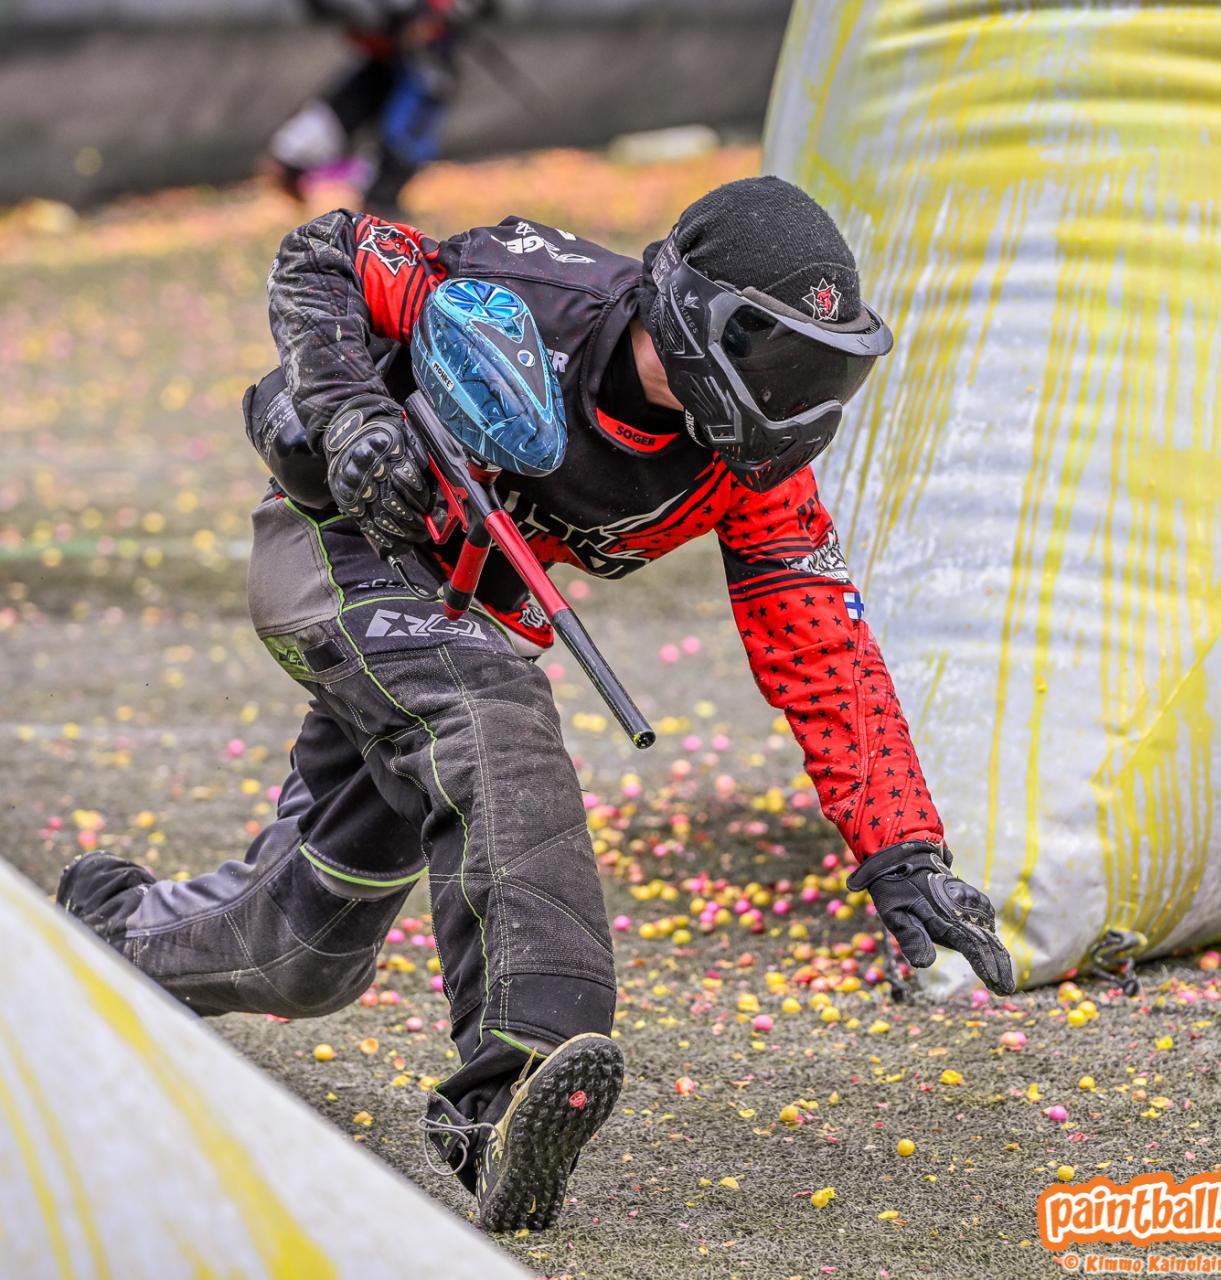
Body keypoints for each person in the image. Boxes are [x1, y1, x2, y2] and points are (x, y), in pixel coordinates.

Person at [57, 176, 1015, 1232]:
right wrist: (353, 414)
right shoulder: (531, 290)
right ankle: (511, 1085)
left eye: (823, 373)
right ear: (697, 316)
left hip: (466, 610)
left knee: (305, 949)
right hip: (344, 546)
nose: (799, 403)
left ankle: (98, 937)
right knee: (495, 716)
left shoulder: (751, 473)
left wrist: (902, 850)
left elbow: (820, 640)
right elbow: (325, 251)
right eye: (782, 360)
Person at [267, 0, 491, 218]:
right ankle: (380, 200)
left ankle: (294, 152)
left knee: (374, 86)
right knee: (419, 102)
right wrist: (430, 14)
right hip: (408, 23)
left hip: (396, 26)